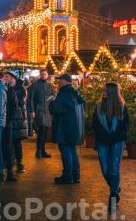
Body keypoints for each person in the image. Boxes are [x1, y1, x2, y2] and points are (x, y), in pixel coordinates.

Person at [93, 83, 129, 213]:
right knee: (105, 170)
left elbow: (125, 127)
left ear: (112, 93)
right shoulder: (98, 107)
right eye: (103, 90)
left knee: (114, 169)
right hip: (103, 142)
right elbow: (95, 125)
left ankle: (113, 196)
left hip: (117, 142)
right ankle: (116, 188)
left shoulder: (122, 107)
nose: (103, 92)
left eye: (106, 90)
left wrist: (114, 137)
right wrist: (105, 136)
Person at [49, 74, 85, 184]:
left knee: (65, 150)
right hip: (75, 128)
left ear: (65, 81)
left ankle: (67, 176)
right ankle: (76, 175)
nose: (58, 83)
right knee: (72, 150)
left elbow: (56, 110)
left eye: (59, 81)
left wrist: (51, 102)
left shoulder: (63, 93)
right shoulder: (77, 93)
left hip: (64, 127)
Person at [29, 69, 53, 158]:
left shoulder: (49, 86)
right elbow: (30, 98)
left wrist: (50, 99)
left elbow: (52, 96)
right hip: (39, 110)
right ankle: (38, 150)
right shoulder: (35, 85)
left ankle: (42, 151)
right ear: (40, 75)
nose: (43, 76)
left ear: (47, 76)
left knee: (45, 131)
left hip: (48, 111)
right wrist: (32, 110)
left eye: (45, 74)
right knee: (42, 130)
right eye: (42, 74)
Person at [3, 71, 20, 182]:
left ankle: (9, 171)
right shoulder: (5, 89)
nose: (5, 78)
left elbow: (14, 107)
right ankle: (6, 171)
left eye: (7, 77)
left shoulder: (10, 91)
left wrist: (9, 120)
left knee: (8, 147)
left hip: (7, 122)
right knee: (5, 147)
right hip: (5, 122)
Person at [13, 77, 28, 173]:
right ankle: (19, 162)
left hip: (16, 119)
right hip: (17, 118)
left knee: (15, 142)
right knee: (16, 143)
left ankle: (18, 162)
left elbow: (22, 104)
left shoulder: (16, 90)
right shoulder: (21, 91)